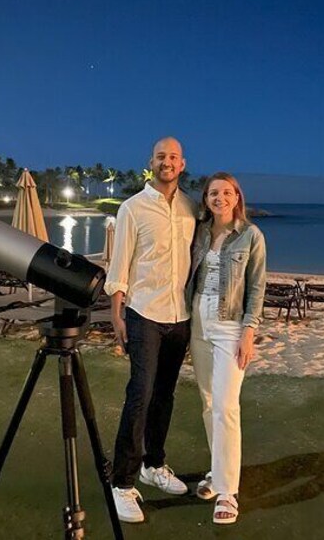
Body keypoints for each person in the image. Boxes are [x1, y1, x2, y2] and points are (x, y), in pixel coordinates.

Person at [105, 137, 198, 523]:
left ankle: (153, 465)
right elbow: (120, 263)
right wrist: (116, 314)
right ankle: (122, 483)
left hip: (180, 317)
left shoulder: (191, 208)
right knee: (139, 395)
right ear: (152, 162)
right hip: (144, 313)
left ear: (182, 163)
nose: (167, 162)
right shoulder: (132, 208)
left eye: (173, 156)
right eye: (161, 156)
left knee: (165, 395)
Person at [186, 172, 266, 525]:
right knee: (207, 404)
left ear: (237, 197)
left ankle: (228, 493)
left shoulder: (251, 235)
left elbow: (257, 287)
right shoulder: (200, 231)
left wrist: (249, 331)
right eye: (213, 193)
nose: (220, 198)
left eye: (226, 192)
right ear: (205, 199)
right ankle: (218, 474)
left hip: (230, 327)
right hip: (197, 323)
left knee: (225, 406)